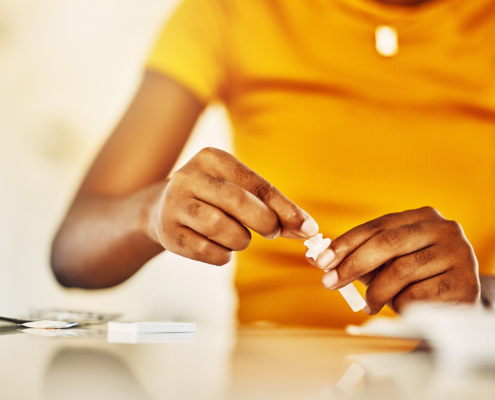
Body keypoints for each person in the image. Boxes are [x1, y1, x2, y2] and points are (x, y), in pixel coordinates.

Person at [51, 0, 495, 328]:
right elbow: (72, 252)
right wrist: (151, 212)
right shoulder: (232, 12)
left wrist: (482, 300)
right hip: (265, 377)